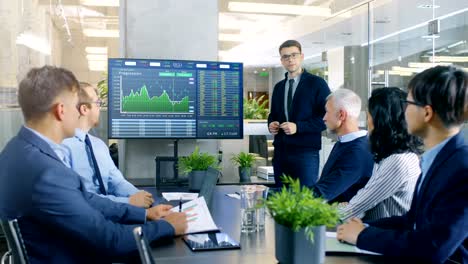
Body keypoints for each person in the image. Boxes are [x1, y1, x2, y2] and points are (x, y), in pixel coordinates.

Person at [0, 66, 187, 263]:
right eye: (75, 106)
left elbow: (85, 198)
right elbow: (110, 240)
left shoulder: (16, 150)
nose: (79, 113)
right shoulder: (46, 172)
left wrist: (144, 214)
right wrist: (168, 227)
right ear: (61, 111)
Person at [337, 66, 468, 263]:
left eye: (408, 103)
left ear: (427, 113)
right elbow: (411, 221)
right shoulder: (438, 158)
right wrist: (362, 228)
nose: (403, 110)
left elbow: (433, 246)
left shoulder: (461, 168)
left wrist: (362, 235)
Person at [63, 82, 154, 208]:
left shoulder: (99, 145)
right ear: (84, 109)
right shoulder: (62, 147)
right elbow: (80, 198)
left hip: (113, 211)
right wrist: (129, 202)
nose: (99, 107)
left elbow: (116, 182)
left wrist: (140, 196)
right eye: (97, 103)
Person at [338, 87, 422, 221]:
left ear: (381, 121)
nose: (367, 123)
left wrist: (324, 211)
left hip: (385, 237)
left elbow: (353, 209)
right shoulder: (395, 156)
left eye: (368, 116)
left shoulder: (397, 162)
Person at [268, 39, 331, 187]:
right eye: (285, 56)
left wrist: (298, 127)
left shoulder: (317, 84)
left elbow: (326, 118)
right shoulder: (279, 87)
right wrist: (271, 124)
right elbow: (273, 114)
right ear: (281, 60)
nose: (290, 59)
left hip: (305, 153)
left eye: (294, 55)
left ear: (301, 56)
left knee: (304, 200)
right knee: (281, 201)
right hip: (281, 153)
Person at [313, 89, 374, 203]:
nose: (324, 118)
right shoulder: (345, 143)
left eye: (327, 112)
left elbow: (323, 193)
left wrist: (271, 194)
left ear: (341, 115)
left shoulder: (357, 152)